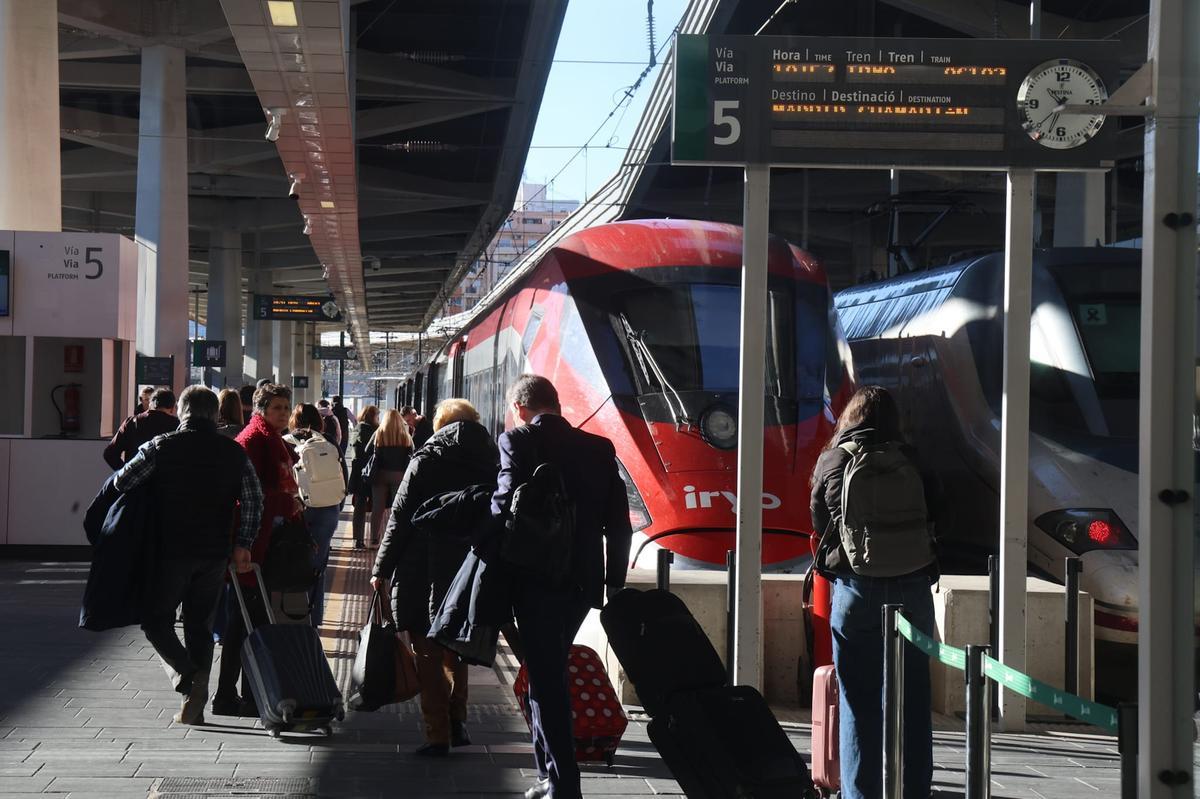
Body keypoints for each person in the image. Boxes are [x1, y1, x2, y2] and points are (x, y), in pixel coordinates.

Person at [489, 375, 633, 799]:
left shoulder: (516, 441)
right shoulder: (598, 448)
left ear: (521, 407)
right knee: (544, 672)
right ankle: (548, 775)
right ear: (557, 404)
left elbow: (503, 506)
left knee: (547, 678)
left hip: (534, 579)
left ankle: (564, 784)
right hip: (581, 583)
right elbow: (619, 526)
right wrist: (613, 587)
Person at [809, 385, 939, 799]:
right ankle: (914, 789)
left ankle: (860, 794)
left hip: (856, 591)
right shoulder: (913, 460)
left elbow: (817, 520)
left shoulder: (832, 461)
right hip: (914, 589)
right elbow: (941, 514)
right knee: (914, 698)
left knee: (857, 700)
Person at [111, 385, 263, 725]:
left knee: (155, 620)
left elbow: (123, 481)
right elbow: (254, 498)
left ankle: (186, 675)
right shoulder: (233, 452)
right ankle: (193, 704)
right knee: (200, 625)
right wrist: (244, 541)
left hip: (170, 550)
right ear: (213, 415)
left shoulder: (161, 447)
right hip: (214, 553)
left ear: (182, 412)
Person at [371, 398, 499, 756]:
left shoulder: (426, 459)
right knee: (456, 645)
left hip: (421, 566)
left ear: (440, 426)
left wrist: (381, 569)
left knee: (426, 650)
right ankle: (458, 718)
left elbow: (399, 517)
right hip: (471, 566)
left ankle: (437, 733)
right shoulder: (493, 461)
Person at [214, 383, 301, 717]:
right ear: (260, 409)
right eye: (276, 407)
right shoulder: (254, 440)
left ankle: (248, 694)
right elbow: (248, 495)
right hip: (252, 547)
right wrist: (288, 502)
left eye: (285, 407)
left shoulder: (267, 438)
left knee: (251, 622)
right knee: (244, 623)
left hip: (260, 545)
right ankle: (232, 696)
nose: (283, 412)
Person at [283, 403, 342, 628]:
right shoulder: (329, 441)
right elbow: (341, 479)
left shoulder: (287, 442)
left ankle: (290, 617)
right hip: (328, 509)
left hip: (298, 507)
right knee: (318, 568)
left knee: (292, 563)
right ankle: (313, 622)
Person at [364, 410, 413, 546]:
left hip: (380, 475)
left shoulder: (379, 433)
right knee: (397, 508)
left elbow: (367, 450)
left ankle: (374, 538)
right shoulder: (405, 435)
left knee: (377, 508)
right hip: (399, 476)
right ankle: (395, 538)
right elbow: (412, 453)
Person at [104, 388, 179, 470]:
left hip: (136, 480)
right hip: (165, 480)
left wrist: (125, 472)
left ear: (151, 404)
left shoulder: (131, 422)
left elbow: (109, 454)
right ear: (172, 408)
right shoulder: (176, 425)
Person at [349, 405, 380, 549]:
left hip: (363, 471)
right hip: (366, 472)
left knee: (361, 506)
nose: (378, 418)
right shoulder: (365, 429)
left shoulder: (360, 429)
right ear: (371, 416)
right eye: (376, 415)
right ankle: (359, 539)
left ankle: (359, 539)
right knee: (363, 506)